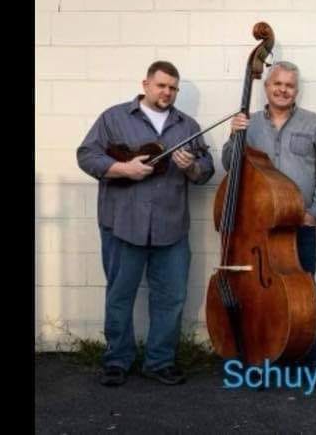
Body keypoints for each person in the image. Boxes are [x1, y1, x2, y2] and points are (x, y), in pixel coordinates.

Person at [76, 61, 215, 387]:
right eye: (161, 85)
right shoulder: (114, 118)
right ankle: (116, 360)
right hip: (123, 223)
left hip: (171, 227)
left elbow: (207, 169)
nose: (167, 92)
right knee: (120, 294)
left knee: (171, 296)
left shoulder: (188, 126)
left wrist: (192, 166)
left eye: (172, 88)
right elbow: (86, 155)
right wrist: (124, 170)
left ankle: (160, 361)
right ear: (146, 84)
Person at [224, 61, 316, 370]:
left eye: (289, 85)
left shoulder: (313, 124)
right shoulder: (250, 124)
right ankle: (263, 351)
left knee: (304, 291)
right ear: (266, 86)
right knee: (260, 292)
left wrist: (315, 214)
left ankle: (311, 356)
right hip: (257, 229)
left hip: (298, 226)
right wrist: (234, 135)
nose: (283, 89)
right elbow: (229, 167)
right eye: (278, 84)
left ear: (296, 90)